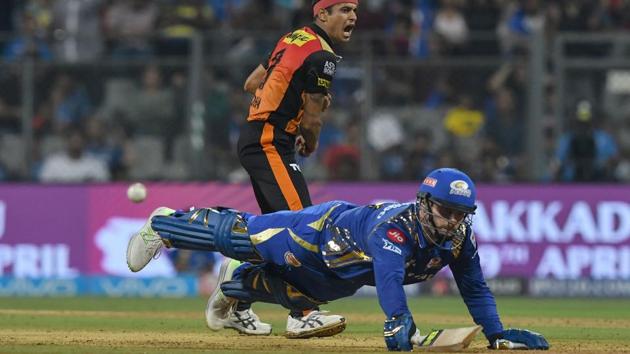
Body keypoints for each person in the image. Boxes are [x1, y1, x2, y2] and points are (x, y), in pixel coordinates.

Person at [126, 168, 549, 350]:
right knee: (241, 235)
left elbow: (474, 286)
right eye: (445, 211)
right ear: (424, 204)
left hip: (343, 275)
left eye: (460, 215)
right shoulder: (396, 228)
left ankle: (234, 289)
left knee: (296, 293)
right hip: (315, 234)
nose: (452, 221)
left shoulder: (459, 239)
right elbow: (388, 277)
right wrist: (398, 320)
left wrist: (496, 334)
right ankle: (165, 225)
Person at [238, 0, 358, 213]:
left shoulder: (291, 38)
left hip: (257, 137)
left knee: (273, 231)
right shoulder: (323, 56)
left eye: (354, 11)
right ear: (322, 15)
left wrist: (297, 98)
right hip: (269, 142)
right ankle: (174, 223)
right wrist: (311, 143)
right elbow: (311, 122)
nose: (353, 17)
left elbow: (252, 83)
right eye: (345, 10)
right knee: (301, 224)